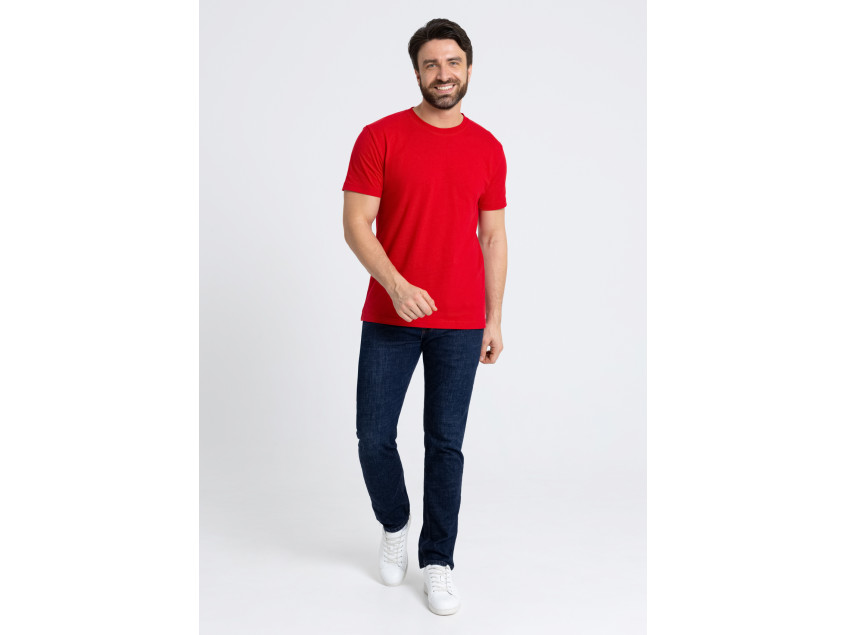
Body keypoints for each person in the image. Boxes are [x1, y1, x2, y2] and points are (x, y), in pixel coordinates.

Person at [341, 17, 508, 617]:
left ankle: (438, 560)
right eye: (431, 64)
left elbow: (493, 237)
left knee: (445, 444)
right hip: (390, 316)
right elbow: (356, 223)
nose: (443, 73)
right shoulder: (380, 137)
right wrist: (396, 284)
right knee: (373, 436)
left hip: (461, 322)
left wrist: (493, 318)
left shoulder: (488, 147)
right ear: (416, 72)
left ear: (469, 69)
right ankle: (395, 524)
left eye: (453, 62)